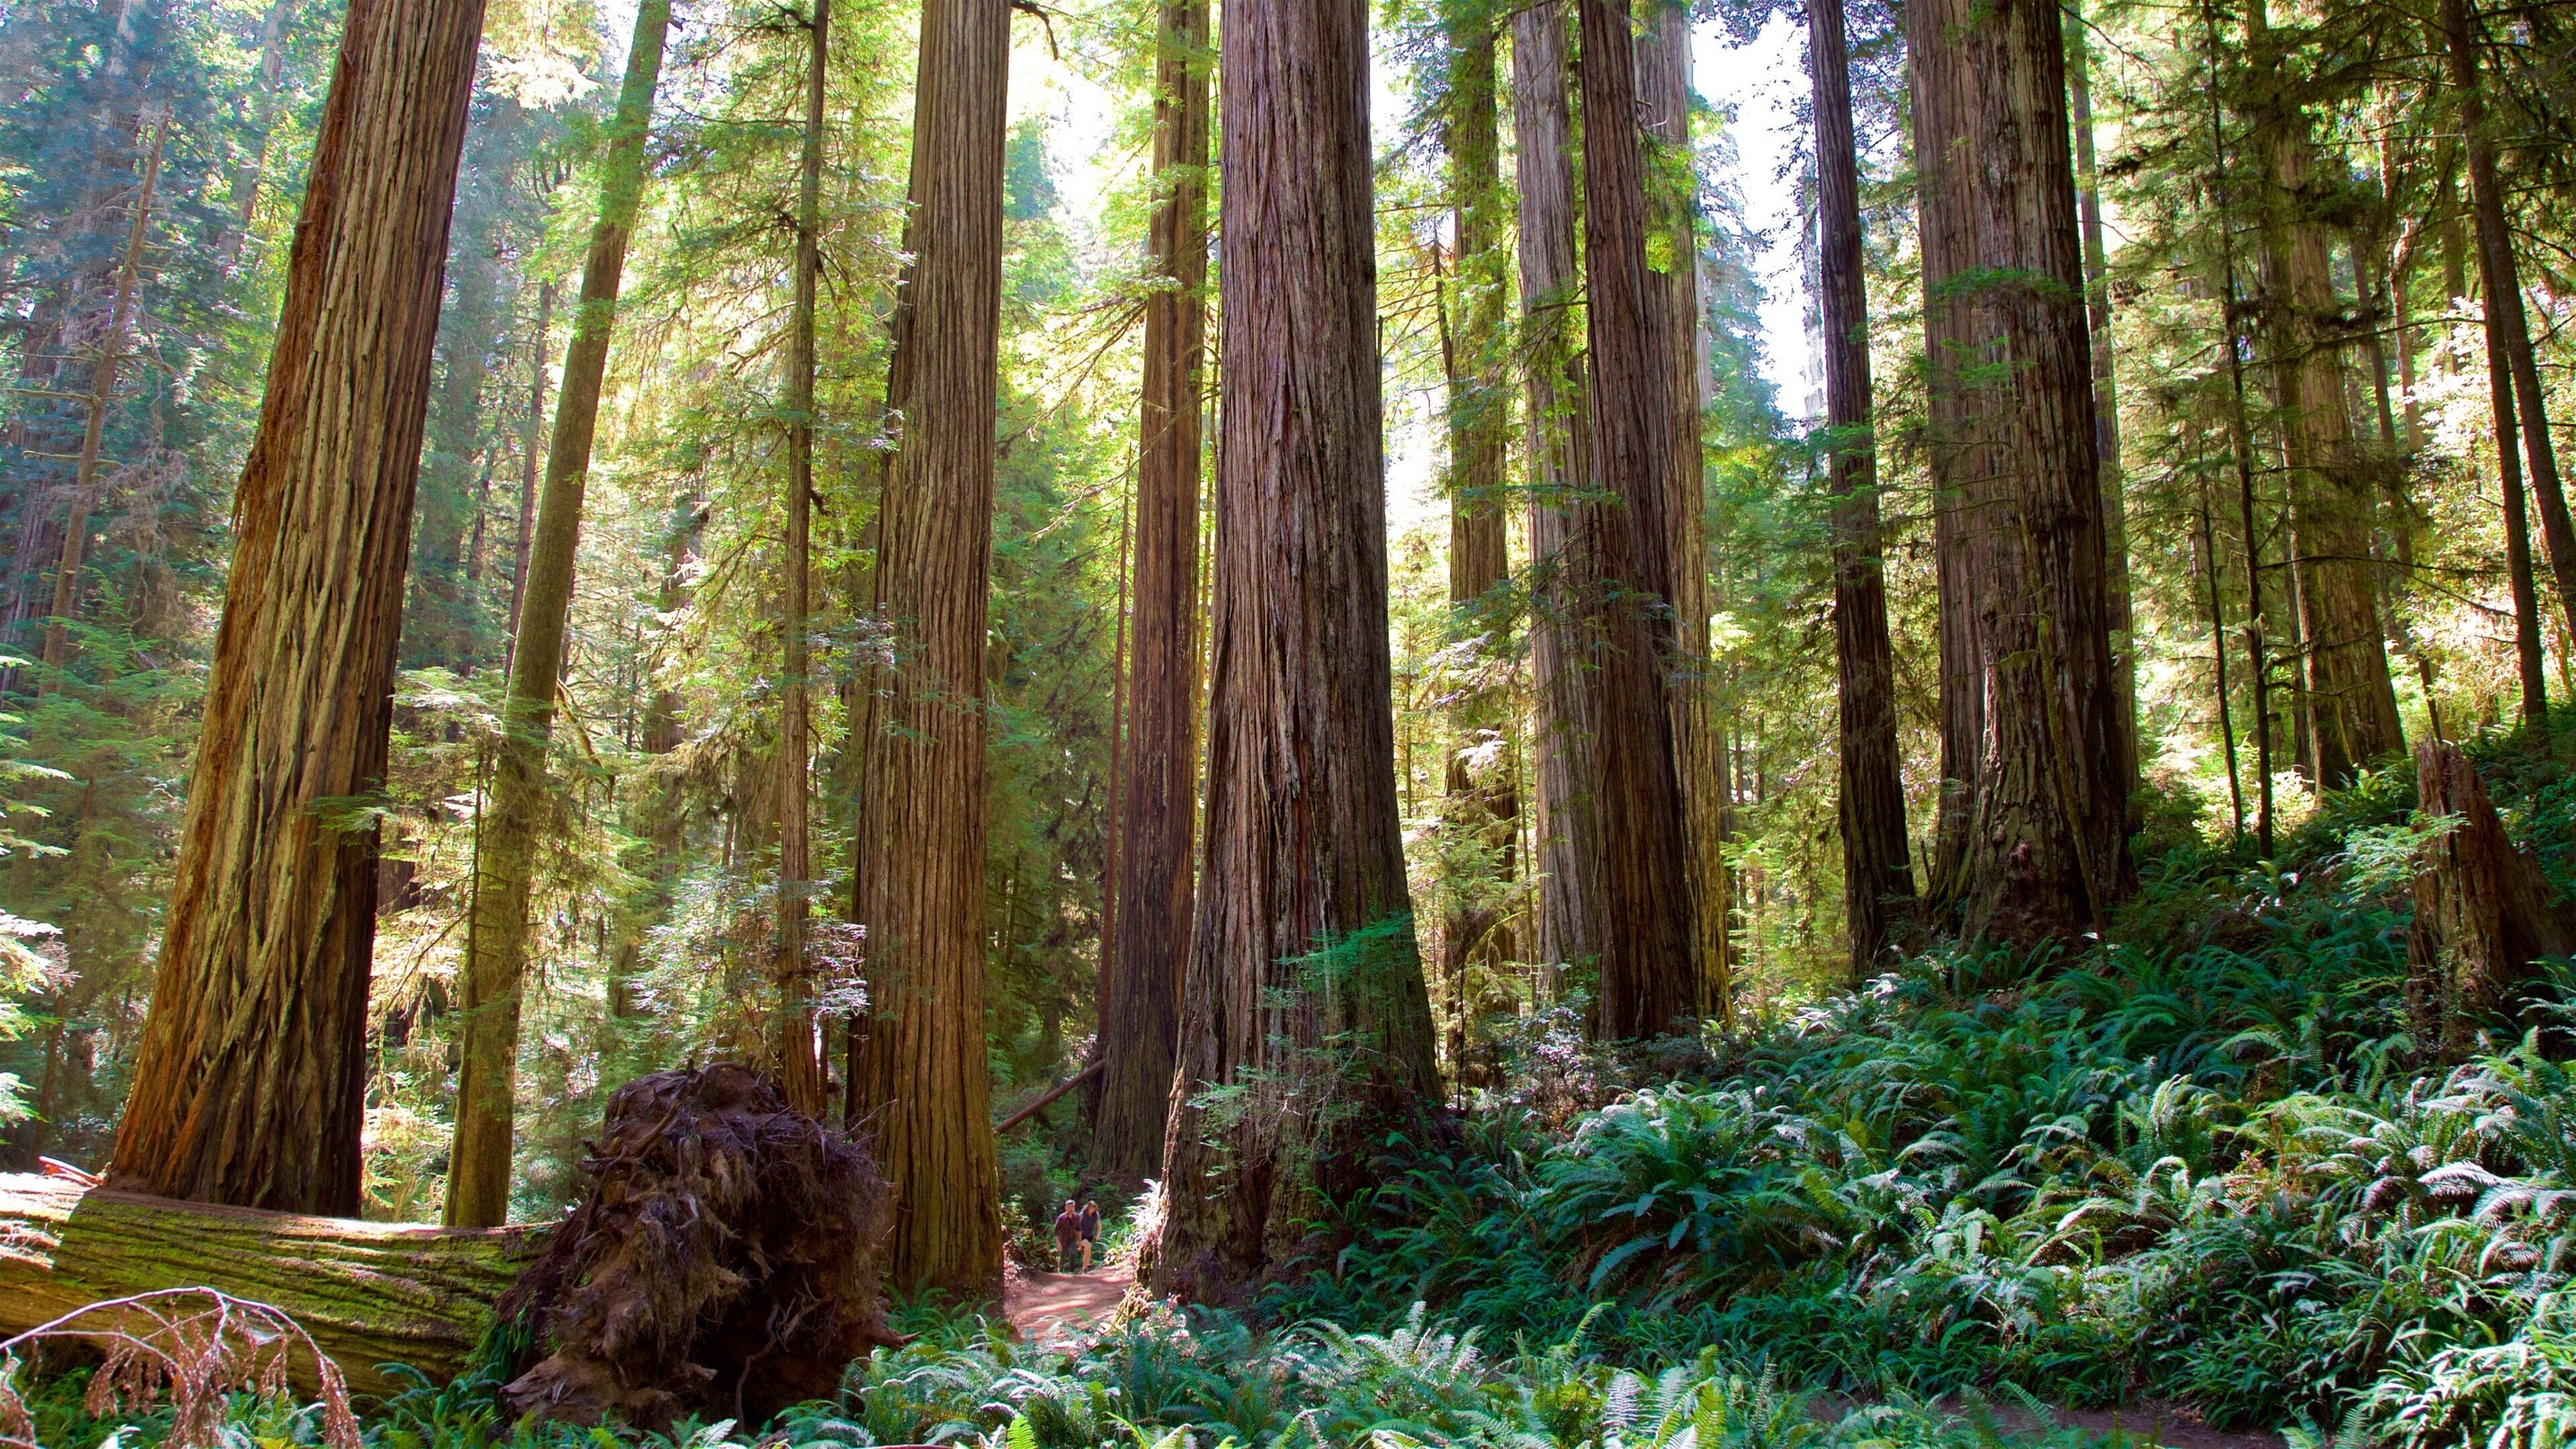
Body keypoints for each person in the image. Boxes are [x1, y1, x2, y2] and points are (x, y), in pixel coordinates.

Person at [1052, 1198, 1081, 1274]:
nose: (1070, 1209)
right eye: (1069, 1207)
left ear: (1074, 1207)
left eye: (1072, 1207)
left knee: (1072, 1253)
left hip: (1072, 1239)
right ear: (1066, 1207)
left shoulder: (1077, 1217)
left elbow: (1078, 1230)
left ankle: (1071, 1271)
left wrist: (1080, 1242)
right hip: (1063, 1239)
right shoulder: (1061, 1218)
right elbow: (1056, 1231)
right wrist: (1058, 1243)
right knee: (1062, 1256)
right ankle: (1060, 1271)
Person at [1077, 1195, 1102, 1273]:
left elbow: (1099, 1225)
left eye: (1093, 1208)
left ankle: (1085, 1267)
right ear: (1088, 1207)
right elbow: (1076, 1225)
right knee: (1087, 1246)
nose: (1092, 1209)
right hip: (1081, 1235)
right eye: (1091, 1207)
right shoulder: (1082, 1214)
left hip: (1090, 1235)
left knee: (1088, 1249)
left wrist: (1098, 1234)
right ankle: (1086, 1266)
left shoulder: (1096, 1215)